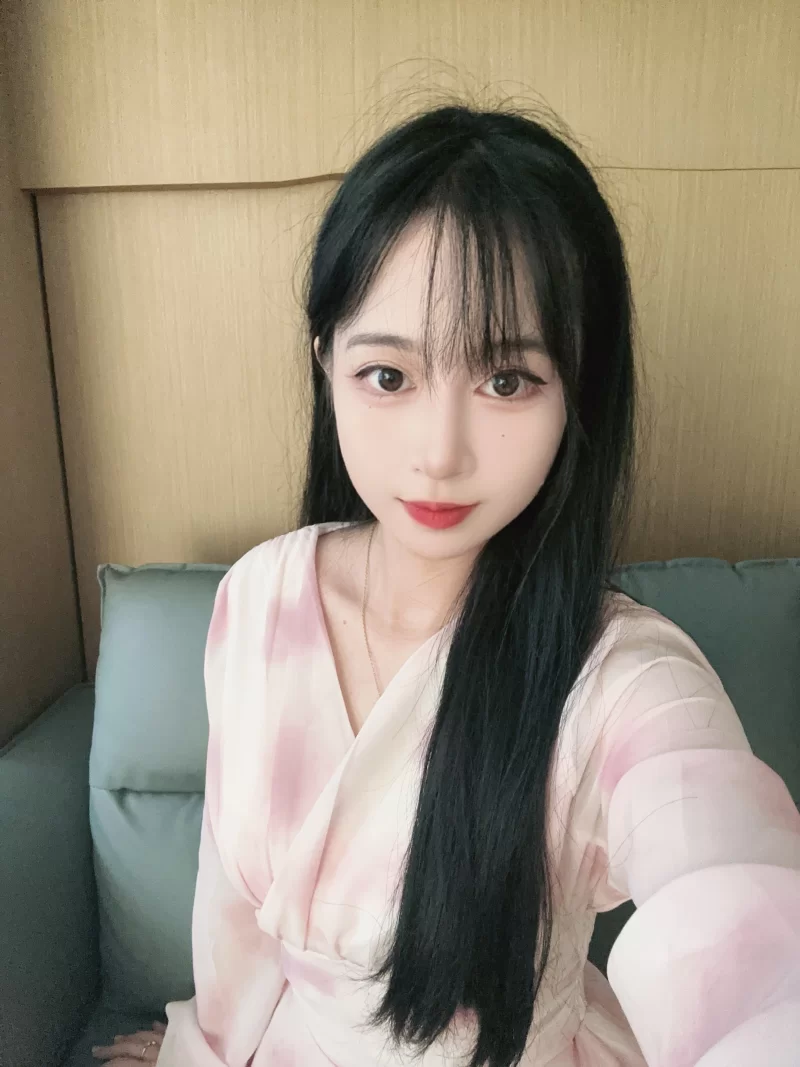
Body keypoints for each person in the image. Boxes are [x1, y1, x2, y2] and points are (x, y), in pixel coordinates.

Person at [91, 102, 800, 1067]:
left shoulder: (623, 681)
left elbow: (736, 915)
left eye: (507, 380)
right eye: (389, 376)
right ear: (326, 364)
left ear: (578, 392)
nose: (439, 453)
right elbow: (234, 910)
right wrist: (204, 1050)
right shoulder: (260, 601)